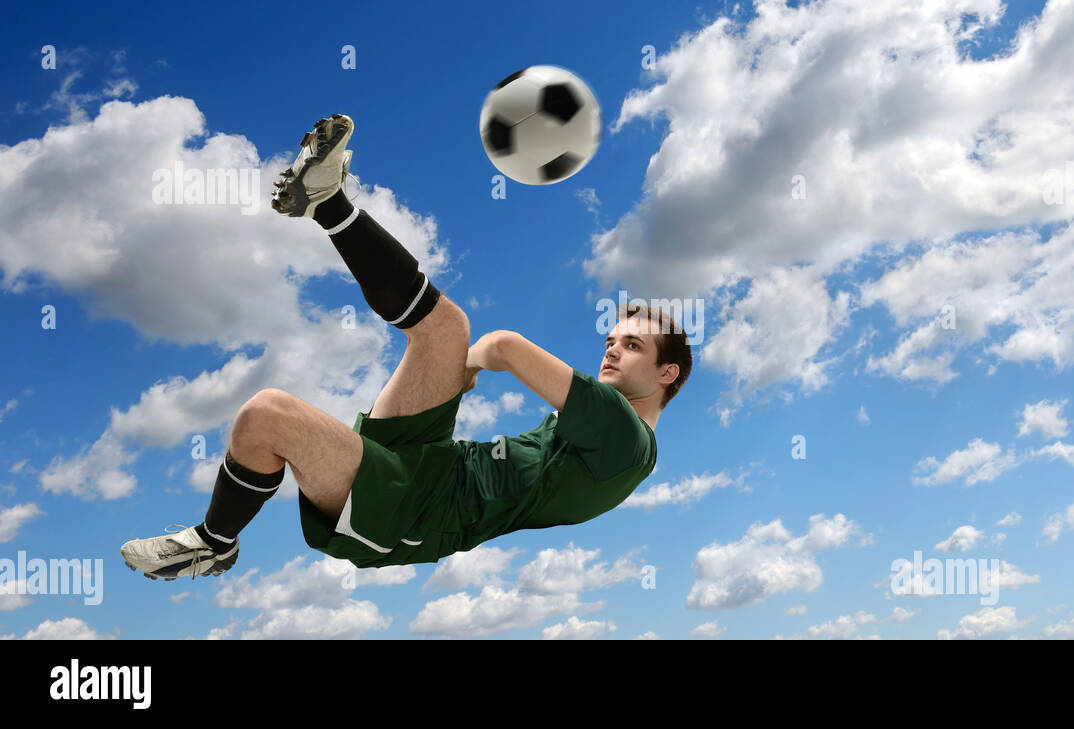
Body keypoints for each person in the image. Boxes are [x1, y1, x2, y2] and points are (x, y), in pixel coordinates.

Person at [120, 114, 692, 580]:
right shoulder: (604, 432)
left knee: (266, 415)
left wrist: (472, 364)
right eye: (611, 339)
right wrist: (458, 362)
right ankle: (327, 201)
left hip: (425, 510)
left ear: (667, 373)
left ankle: (212, 542)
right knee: (445, 328)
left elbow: (509, 347)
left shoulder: (628, 439)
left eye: (633, 346)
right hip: (437, 459)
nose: (612, 350)